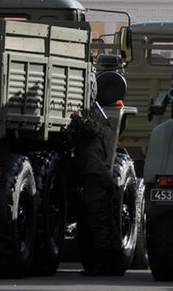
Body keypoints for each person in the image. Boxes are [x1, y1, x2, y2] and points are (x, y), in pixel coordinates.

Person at [71, 103, 122, 275]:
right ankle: (115, 264)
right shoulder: (94, 133)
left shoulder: (97, 128)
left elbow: (90, 127)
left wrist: (77, 118)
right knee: (106, 223)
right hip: (98, 178)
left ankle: (104, 265)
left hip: (96, 178)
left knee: (99, 223)